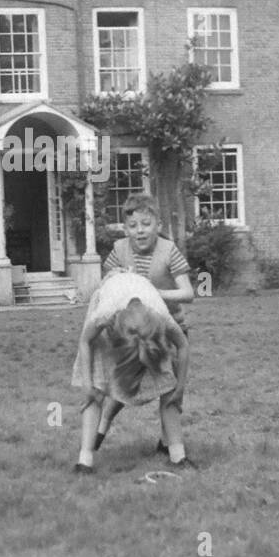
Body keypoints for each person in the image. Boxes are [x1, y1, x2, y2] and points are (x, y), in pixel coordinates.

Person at [92, 193, 195, 456]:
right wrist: (115, 278)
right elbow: (107, 284)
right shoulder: (119, 250)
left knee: (170, 389)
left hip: (169, 331)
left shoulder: (169, 250)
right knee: (126, 383)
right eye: (133, 226)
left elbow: (188, 293)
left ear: (157, 225)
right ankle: (102, 427)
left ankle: (171, 448)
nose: (140, 231)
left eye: (146, 224)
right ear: (126, 229)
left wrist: (153, 294)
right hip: (135, 331)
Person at [74, 271, 190, 473]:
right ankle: (85, 460)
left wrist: (179, 388)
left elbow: (183, 345)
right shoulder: (105, 314)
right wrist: (87, 383)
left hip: (145, 303)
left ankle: (178, 457)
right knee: (96, 386)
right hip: (112, 300)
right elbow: (85, 341)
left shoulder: (160, 315)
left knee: (168, 386)